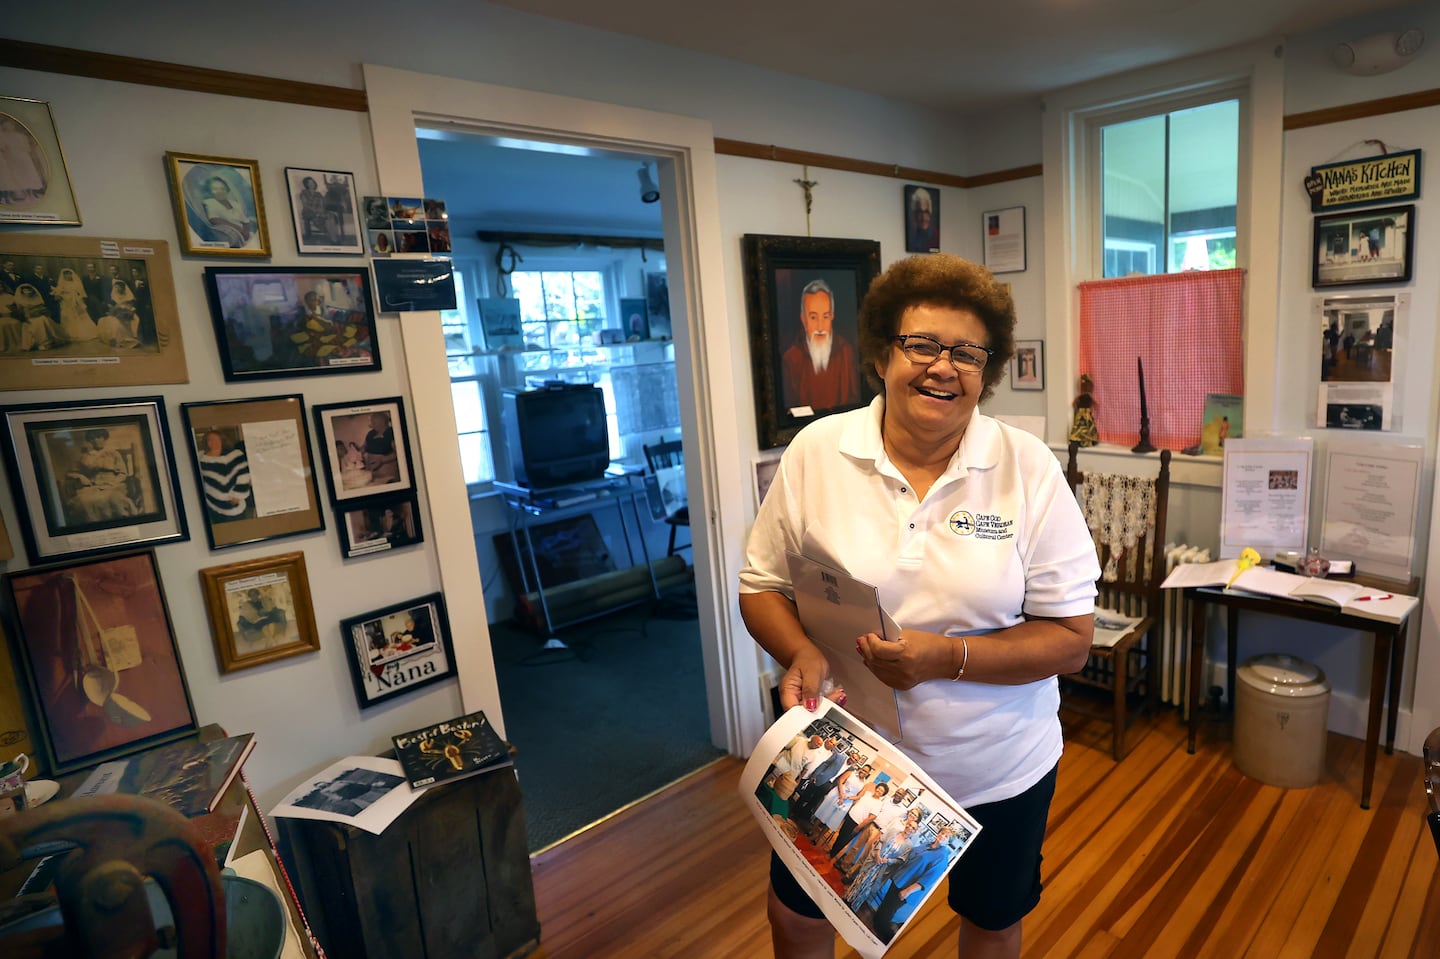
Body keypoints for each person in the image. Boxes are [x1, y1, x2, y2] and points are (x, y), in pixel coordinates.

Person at [739, 253, 1099, 958]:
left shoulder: (1026, 468)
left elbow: (1072, 638)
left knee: (991, 924)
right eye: (922, 344)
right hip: (843, 753)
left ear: (985, 371)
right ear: (880, 353)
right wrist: (802, 650)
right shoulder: (817, 451)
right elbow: (762, 585)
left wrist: (948, 657)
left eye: (966, 352)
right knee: (798, 919)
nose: (943, 367)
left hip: (996, 764)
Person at [780, 278, 860, 413]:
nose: (820, 327)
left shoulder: (846, 351)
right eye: (813, 317)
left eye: (825, 316)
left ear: (832, 317)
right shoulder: (791, 359)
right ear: (803, 319)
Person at [197, 430, 253, 522]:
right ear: (206, 442)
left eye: (216, 439)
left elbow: (243, 475)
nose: (213, 442)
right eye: (210, 440)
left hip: (235, 502)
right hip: (213, 504)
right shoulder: (201, 458)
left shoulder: (235, 455)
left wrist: (238, 495)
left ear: (222, 440)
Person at [201, 175, 257, 248]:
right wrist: (239, 229)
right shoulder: (210, 202)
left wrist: (246, 232)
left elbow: (245, 221)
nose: (219, 191)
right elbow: (214, 219)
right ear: (210, 191)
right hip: (232, 236)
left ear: (227, 190)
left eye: (222, 188)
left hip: (246, 235)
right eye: (215, 189)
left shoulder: (235, 204)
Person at [54, 266, 97, 342]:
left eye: (69, 274)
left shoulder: (76, 282)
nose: (68, 276)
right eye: (66, 274)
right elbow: (58, 294)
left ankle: (83, 333)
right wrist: (63, 295)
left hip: (77, 302)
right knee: (68, 316)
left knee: (80, 316)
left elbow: (81, 293)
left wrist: (78, 298)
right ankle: (71, 334)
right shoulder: (61, 284)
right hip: (66, 303)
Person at [297, 175, 340, 245]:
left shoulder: (318, 194)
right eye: (309, 183)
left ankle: (333, 237)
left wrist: (322, 211)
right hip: (309, 212)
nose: (311, 184)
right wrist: (317, 212)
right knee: (321, 218)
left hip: (320, 211)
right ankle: (333, 239)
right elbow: (306, 205)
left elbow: (322, 204)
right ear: (306, 184)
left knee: (330, 216)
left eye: (312, 182)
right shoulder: (303, 193)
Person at [905, 186, 939, 253]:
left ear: (930, 214)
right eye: (920, 212)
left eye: (926, 212)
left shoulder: (936, 236)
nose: (924, 218)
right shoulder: (913, 240)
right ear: (914, 215)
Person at [1068, 373, 1099, 447]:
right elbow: (1095, 404)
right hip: (1085, 413)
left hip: (1082, 413)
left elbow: (1074, 402)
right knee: (1085, 425)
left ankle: (1083, 439)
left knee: (1082, 425)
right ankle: (1082, 438)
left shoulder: (1085, 396)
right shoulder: (1084, 396)